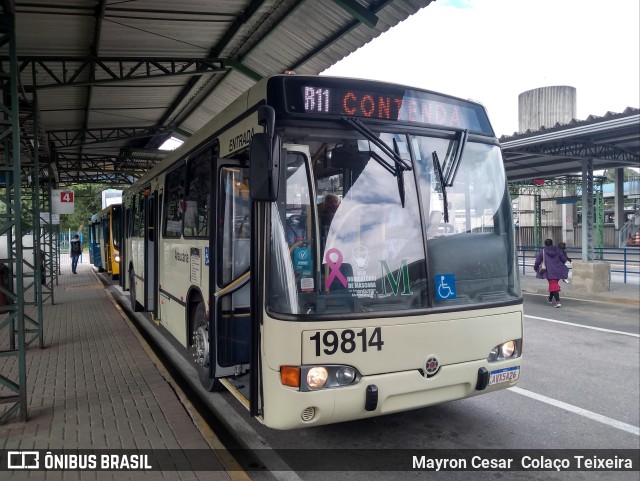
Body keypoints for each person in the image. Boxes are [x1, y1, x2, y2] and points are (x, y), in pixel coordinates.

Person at [534, 238, 569, 308]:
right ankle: (550, 298)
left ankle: (558, 302)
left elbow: (537, 261)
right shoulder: (558, 250)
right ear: (552, 243)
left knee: (553, 285)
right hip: (559, 270)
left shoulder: (543, 251)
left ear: (545, 244)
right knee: (554, 284)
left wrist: (536, 268)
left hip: (549, 271)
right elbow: (564, 260)